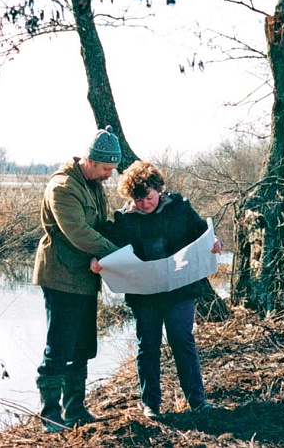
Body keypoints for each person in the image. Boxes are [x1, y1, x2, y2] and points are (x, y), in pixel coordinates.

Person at [90, 160, 222, 418]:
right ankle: (151, 405)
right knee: (147, 345)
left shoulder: (180, 208)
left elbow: (202, 233)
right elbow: (108, 246)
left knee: (181, 339)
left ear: (158, 190)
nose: (144, 204)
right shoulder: (125, 220)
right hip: (144, 295)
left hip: (181, 290)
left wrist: (215, 241)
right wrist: (98, 262)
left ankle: (197, 401)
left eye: (148, 198)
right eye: (137, 200)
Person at [32, 125, 122, 432]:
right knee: (58, 346)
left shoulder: (93, 184)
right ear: (92, 161)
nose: (111, 174)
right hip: (60, 277)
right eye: (108, 168)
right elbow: (79, 233)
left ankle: (75, 410)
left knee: (81, 347)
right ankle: (50, 416)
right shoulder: (63, 187)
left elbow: (100, 226)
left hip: (84, 278)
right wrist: (117, 254)